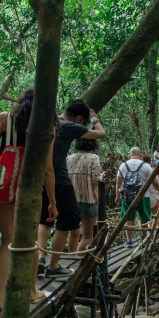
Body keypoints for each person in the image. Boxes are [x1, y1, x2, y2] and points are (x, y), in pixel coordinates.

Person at [0, 88, 57, 313]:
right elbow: (48, 169)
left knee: (7, 240)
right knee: (30, 240)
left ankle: (1, 300)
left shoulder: (4, 119)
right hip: (30, 187)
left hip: (4, 186)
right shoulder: (47, 127)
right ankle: (31, 292)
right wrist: (53, 201)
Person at [37, 100, 106, 278]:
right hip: (60, 180)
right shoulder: (69, 126)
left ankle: (40, 257)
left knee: (45, 221)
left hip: (41, 179)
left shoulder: (51, 122)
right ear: (79, 118)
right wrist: (95, 119)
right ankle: (53, 266)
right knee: (67, 222)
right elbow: (101, 134)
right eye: (83, 122)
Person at [115, 147, 159, 247]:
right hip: (143, 196)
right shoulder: (146, 166)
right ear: (140, 155)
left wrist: (117, 196)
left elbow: (118, 182)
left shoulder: (123, 165)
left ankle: (129, 241)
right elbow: (154, 181)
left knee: (128, 218)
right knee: (144, 217)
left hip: (127, 197)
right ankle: (143, 239)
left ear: (130, 154)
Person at [67, 138, 102, 249]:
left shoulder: (69, 158)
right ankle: (79, 260)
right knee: (87, 235)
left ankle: (70, 260)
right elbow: (95, 179)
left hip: (70, 199)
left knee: (73, 233)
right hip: (89, 198)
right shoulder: (94, 158)